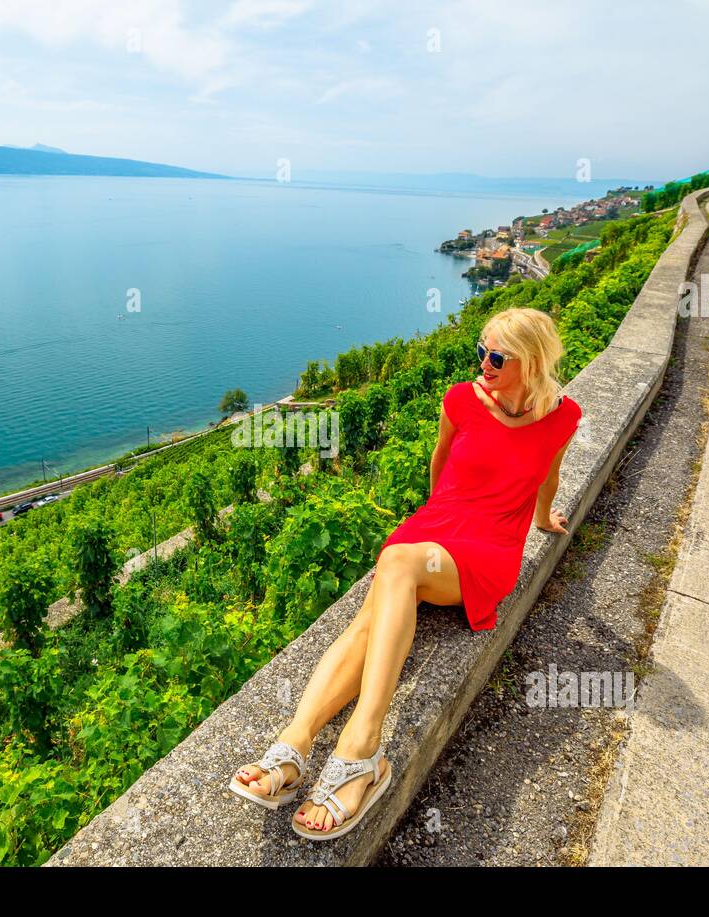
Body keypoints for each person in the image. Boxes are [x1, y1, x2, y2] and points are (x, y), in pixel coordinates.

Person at [229, 307, 583, 840]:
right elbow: (440, 462)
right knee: (378, 605)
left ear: (530, 361)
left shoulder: (563, 416)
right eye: (480, 350)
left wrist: (542, 521)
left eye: (496, 356)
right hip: (440, 525)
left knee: (396, 566)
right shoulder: (461, 400)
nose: (482, 363)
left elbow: (547, 477)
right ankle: (300, 740)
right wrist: (435, 521)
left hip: (489, 548)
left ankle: (362, 747)